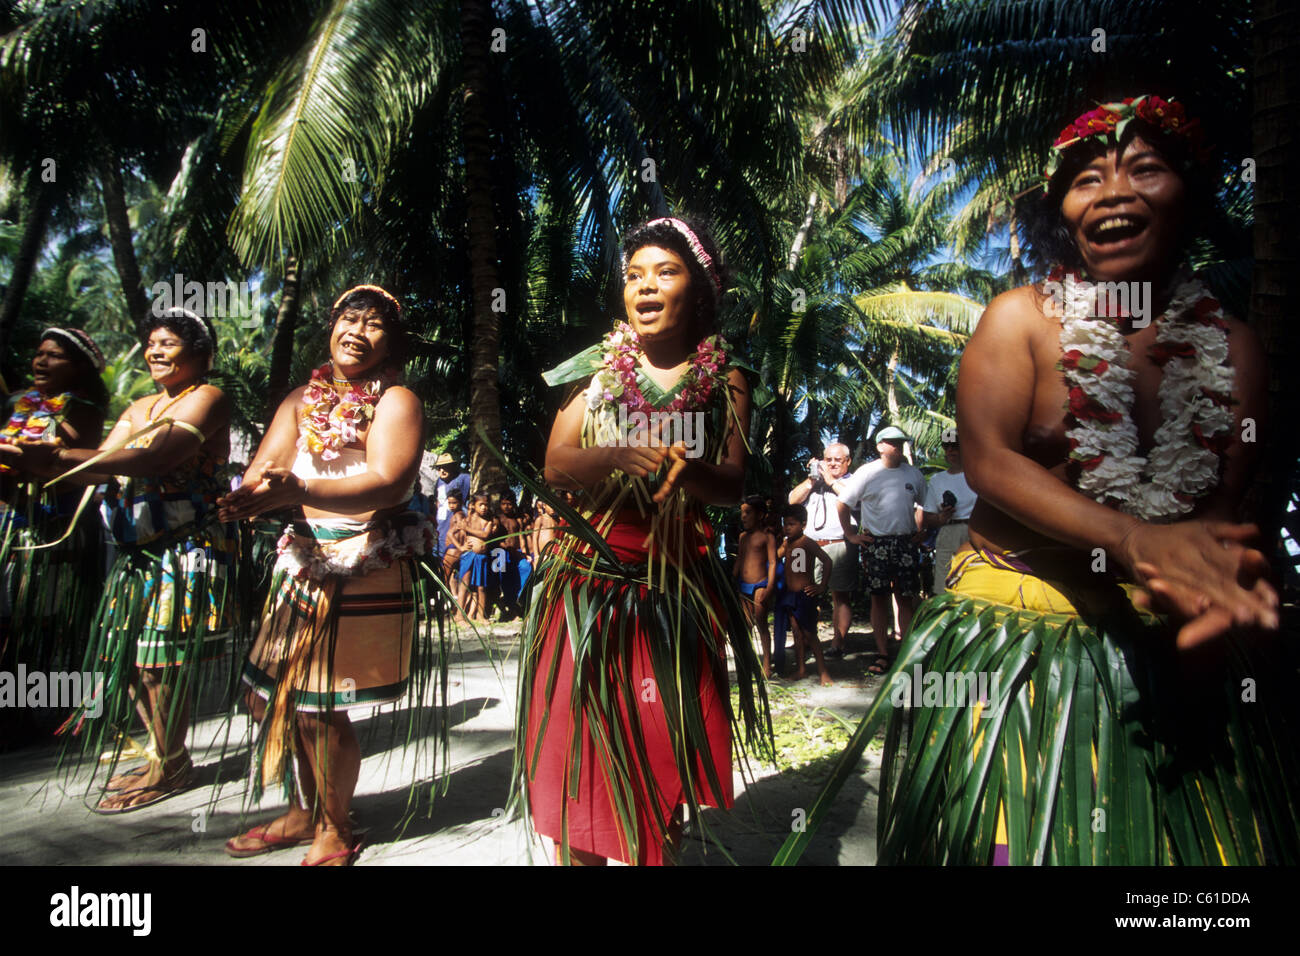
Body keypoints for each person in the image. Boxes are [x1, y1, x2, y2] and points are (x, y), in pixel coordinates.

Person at [788, 96, 1300, 866]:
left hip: (1155, 652)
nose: (1114, 192)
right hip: (1014, 637)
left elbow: (1219, 515)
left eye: (1146, 169)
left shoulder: (1235, 350)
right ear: (1065, 210)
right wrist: (1131, 539)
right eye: (1088, 177)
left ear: (1191, 193)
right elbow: (991, 461)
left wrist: (1208, 597)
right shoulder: (1020, 319)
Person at [517, 216, 768, 865]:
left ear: (700, 289)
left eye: (666, 272)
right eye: (634, 276)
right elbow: (554, 465)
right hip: (588, 590)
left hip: (672, 595)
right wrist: (615, 455)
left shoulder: (727, 377)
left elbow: (734, 482)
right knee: (577, 753)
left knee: (659, 754)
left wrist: (696, 472)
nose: (646, 287)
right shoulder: (598, 371)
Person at [218, 285, 439, 866]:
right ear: (330, 327)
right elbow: (267, 465)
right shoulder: (300, 400)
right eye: (348, 317)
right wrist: (254, 494)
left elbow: (390, 482)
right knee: (269, 698)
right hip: (304, 561)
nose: (356, 330)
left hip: (363, 561)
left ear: (392, 344)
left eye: (373, 324)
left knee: (320, 703)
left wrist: (303, 488)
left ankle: (335, 828)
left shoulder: (397, 400)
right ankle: (304, 809)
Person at [1, 309, 236, 811]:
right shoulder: (139, 405)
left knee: (159, 661)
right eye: (151, 342)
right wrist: (28, 463)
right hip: (134, 553)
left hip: (186, 548)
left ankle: (171, 765)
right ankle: (163, 754)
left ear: (200, 353)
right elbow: (96, 469)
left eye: (168, 343)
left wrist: (57, 459)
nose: (154, 351)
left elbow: (156, 458)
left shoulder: (209, 398)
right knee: (126, 658)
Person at [0, 329, 107, 745]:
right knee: (10, 621)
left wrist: (22, 461)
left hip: (57, 532)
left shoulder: (83, 408)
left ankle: (50, 715)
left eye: (55, 356)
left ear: (79, 367)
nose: (41, 362)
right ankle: (14, 713)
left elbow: (61, 467)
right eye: (39, 353)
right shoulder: (16, 405)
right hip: (15, 526)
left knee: (46, 623)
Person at [835, 425, 927, 674]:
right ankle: (883, 653)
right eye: (891, 442)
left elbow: (923, 505)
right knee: (878, 598)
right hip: (876, 544)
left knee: (906, 598)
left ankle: (906, 654)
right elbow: (843, 503)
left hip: (906, 543)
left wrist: (921, 529)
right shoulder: (867, 473)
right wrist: (851, 535)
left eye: (900, 442)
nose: (897, 447)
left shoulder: (914, 474)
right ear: (880, 446)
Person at [788, 443, 856, 656]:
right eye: (828, 460)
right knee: (803, 594)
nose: (832, 464)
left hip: (839, 544)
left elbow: (853, 500)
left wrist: (832, 482)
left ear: (848, 461)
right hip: (809, 546)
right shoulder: (814, 483)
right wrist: (811, 480)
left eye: (838, 460)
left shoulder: (852, 481)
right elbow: (792, 501)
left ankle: (838, 643)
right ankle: (806, 640)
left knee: (840, 595)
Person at [775, 503, 832, 686]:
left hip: (805, 594)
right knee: (796, 632)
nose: (787, 528)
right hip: (790, 594)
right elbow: (776, 556)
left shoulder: (807, 542)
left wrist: (822, 585)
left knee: (809, 633)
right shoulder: (787, 542)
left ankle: (823, 672)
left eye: (791, 524)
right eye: (785, 524)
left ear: (803, 524)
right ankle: (801, 669)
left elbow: (827, 560)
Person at [920, 432, 977, 590]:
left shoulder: (977, 474)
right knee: (944, 584)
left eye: (955, 446)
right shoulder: (937, 480)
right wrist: (941, 518)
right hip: (947, 531)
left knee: (974, 580)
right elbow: (928, 516)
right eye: (947, 447)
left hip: (975, 531)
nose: (951, 451)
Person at [733, 495, 777, 676]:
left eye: (748, 513)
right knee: (746, 625)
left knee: (761, 624)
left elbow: (773, 562)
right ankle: (749, 661)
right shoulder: (743, 536)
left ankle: (767, 664)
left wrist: (769, 587)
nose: (743, 516)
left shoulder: (767, 536)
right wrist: (732, 579)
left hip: (760, 585)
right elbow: (740, 560)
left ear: (760, 515)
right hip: (743, 586)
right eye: (742, 513)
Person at [458, 492, 498, 623]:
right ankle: (459, 615)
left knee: (481, 587)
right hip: (469, 555)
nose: (484, 507)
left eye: (486, 505)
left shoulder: (488, 522)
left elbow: (485, 535)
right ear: (473, 506)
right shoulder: (467, 519)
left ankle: (481, 615)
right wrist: (461, 546)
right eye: (481, 505)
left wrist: (467, 529)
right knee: (465, 583)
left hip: (482, 557)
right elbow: (453, 533)